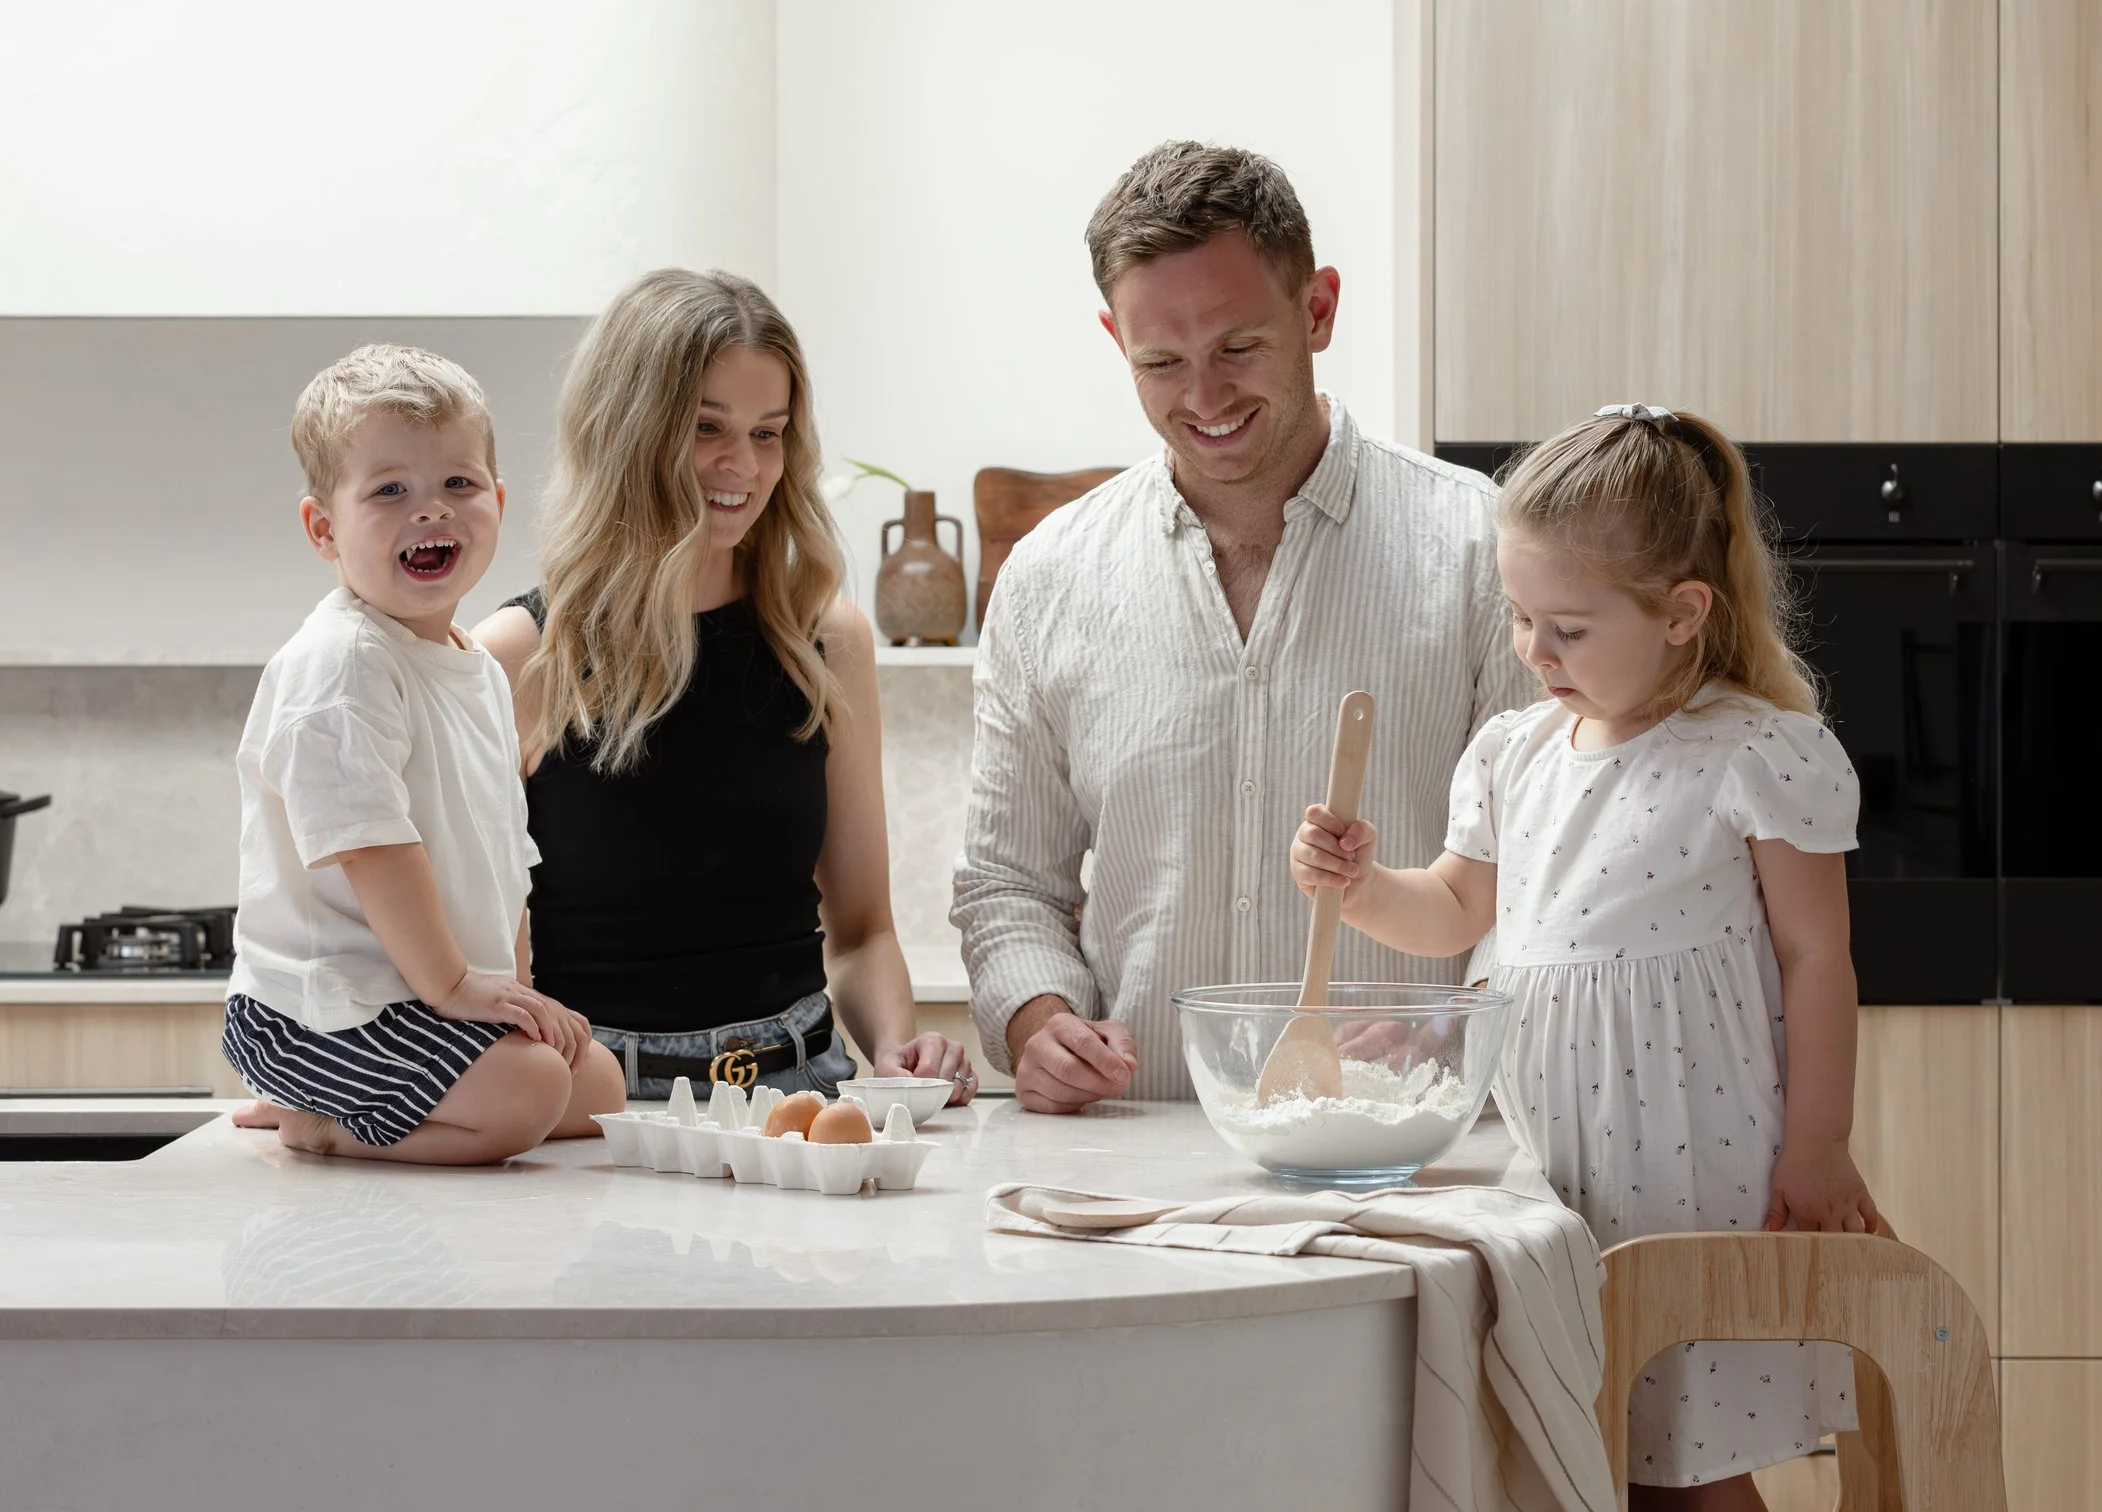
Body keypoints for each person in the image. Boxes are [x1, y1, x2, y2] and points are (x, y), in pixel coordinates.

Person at [1290, 401, 1876, 1512]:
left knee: (1695, 1443)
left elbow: (1817, 962)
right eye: (1521, 617)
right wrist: (1356, 885)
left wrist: (1818, 1153)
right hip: (1550, 1163)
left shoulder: (1754, 755)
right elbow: (1458, 916)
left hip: (1696, 1160)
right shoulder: (1513, 755)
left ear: (1687, 610)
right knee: (1589, 1439)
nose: (1534, 652)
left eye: (1567, 624)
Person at [953, 140, 1533, 1111]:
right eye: (1160, 362)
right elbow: (1008, 886)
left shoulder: (1480, 550)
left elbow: (1555, 876)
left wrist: (1450, 1022)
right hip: (1131, 1165)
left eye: (1236, 348)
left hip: (1403, 1154)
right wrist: (1037, 1021)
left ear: (1317, 309)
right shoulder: (1049, 576)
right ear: (1114, 340)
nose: (1204, 399)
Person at [476, 271, 967, 1110]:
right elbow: (486, 970)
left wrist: (895, 1046)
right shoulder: (520, 657)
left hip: (807, 1096)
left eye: (768, 433)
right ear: (628, 432)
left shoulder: (825, 642)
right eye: (707, 429)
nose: (743, 466)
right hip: (598, 1110)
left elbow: (862, 932)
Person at [224, 345, 624, 1164]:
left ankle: (372, 1105)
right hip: (323, 1010)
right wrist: (454, 988)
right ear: (324, 529)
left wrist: (515, 998)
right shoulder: (343, 664)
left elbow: (502, 855)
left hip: (419, 1003)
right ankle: (319, 1118)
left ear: (498, 503)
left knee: (598, 1086)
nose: (432, 510)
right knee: (530, 1093)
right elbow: (374, 848)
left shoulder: (475, 667)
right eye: (391, 491)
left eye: (458, 484)